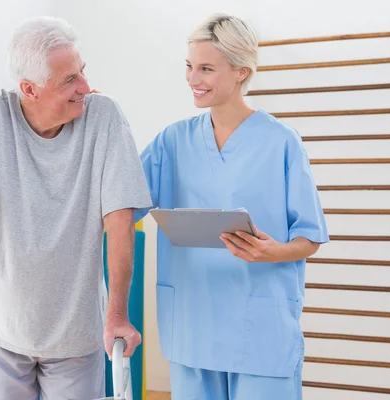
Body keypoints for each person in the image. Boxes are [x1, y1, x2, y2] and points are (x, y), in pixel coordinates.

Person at [0, 16, 152, 399]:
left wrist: (117, 315)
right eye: (69, 80)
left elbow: (119, 222)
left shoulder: (104, 118)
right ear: (29, 89)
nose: (85, 87)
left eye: (82, 72)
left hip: (76, 332)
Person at [135, 13, 329, 400]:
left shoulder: (281, 142)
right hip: (194, 321)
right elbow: (122, 206)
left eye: (206, 68)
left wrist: (274, 251)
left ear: (241, 71)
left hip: (258, 325)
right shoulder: (172, 141)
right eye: (189, 66)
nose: (192, 79)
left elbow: (309, 237)